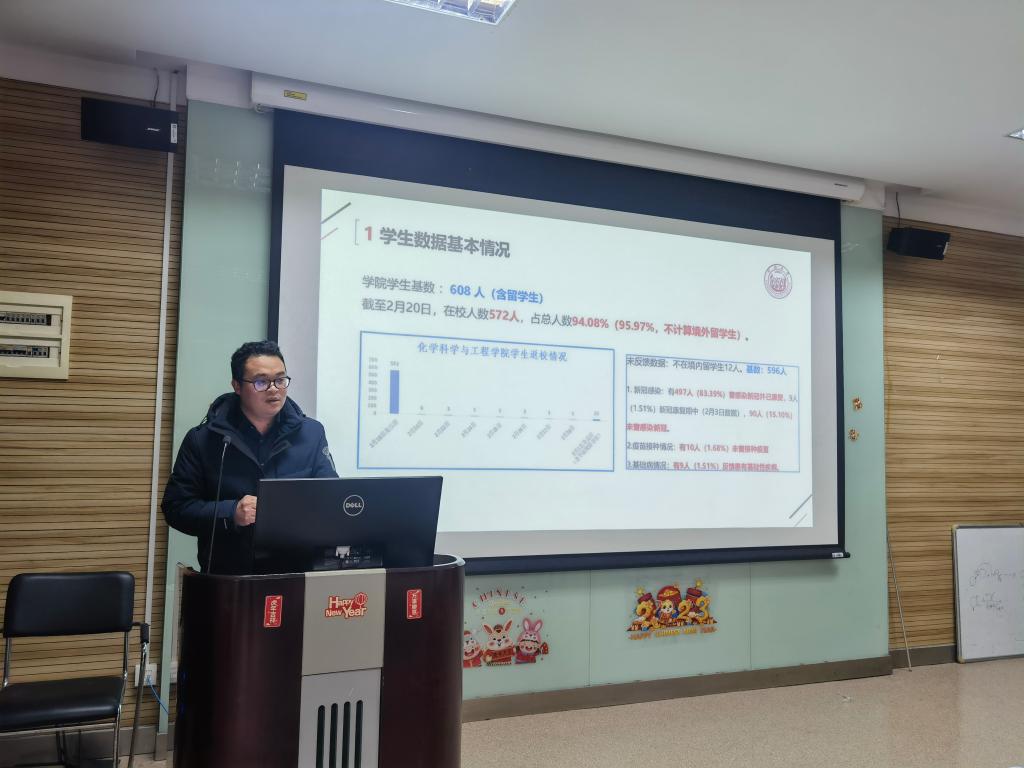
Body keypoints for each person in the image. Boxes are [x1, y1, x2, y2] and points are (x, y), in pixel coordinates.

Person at [162, 340, 337, 573]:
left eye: (280, 380)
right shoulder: (203, 439)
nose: (274, 389)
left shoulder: (312, 433)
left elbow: (331, 498)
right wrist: (231, 513)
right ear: (237, 386)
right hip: (229, 576)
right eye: (261, 382)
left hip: (296, 572)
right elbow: (176, 508)